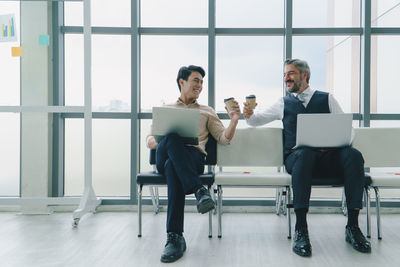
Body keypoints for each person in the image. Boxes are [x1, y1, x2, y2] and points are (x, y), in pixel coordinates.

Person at [243, 59, 371, 257]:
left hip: (328, 157)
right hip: (298, 159)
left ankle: (353, 227)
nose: (286, 78)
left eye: (291, 73)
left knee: (354, 155)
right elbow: (254, 122)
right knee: (305, 154)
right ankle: (301, 229)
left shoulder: (327, 99)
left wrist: (336, 142)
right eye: (285, 74)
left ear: (305, 75)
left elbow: (348, 131)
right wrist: (249, 114)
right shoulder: (283, 103)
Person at [147, 65, 241, 263]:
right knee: (172, 139)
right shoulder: (166, 109)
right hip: (164, 156)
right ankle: (199, 190)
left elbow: (223, 138)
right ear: (182, 82)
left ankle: (175, 237)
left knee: (175, 167)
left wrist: (233, 121)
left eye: (201, 82)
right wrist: (162, 140)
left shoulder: (207, 111)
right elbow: (149, 140)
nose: (199, 85)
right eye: (195, 80)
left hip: (193, 158)